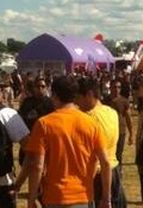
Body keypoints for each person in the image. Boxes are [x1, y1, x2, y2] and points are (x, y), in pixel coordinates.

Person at [26, 76, 112, 208]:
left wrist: (31, 198)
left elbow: (37, 166)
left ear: (54, 95)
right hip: (84, 196)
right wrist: (106, 198)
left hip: (55, 197)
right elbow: (105, 163)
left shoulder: (44, 124)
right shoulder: (92, 124)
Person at [77, 77, 127, 208]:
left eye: (79, 98)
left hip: (98, 176)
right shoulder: (112, 112)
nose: (77, 103)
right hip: (114, 170)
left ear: (89, 95)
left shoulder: (88, 118)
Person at [0, 82, 30, 208]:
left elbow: (29, 149)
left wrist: (19, 183)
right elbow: (30, 149)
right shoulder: (6, 114)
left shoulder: (6, 114)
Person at [104, 80, 133, 167]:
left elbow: (128, 117)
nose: (117, 89)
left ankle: (118, 173)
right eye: (115, 87)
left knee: (118, 154)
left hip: (120, 131)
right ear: (110, 88)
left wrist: (131, 134)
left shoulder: (124, 101)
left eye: (119, 87)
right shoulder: (105, 101)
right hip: (107, 131)